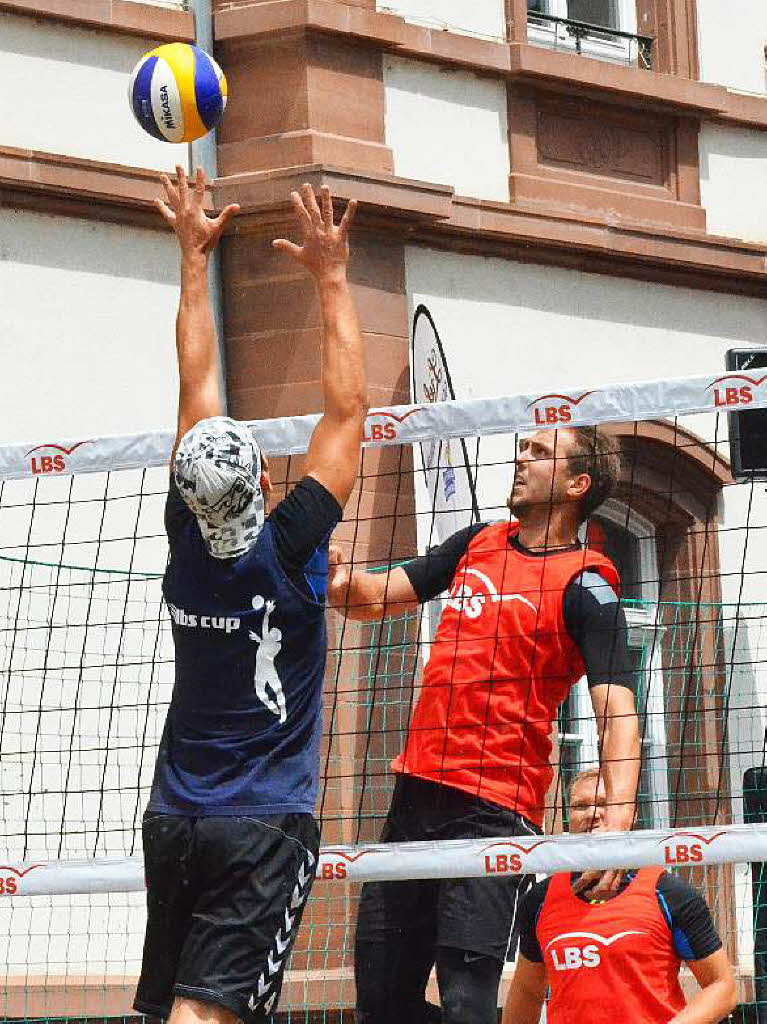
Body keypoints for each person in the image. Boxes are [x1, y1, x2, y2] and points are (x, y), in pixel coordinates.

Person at [133, 167, 367, 1024]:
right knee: (206, 1019)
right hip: (262, 824)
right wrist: (332, 275)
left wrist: (194, 263)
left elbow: (194, 390)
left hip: (175, 819)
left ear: (185, 493)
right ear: (265, 478)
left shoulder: (183, 552)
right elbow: (348, 410)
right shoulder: (292, 547)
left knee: (171, 1015)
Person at [328, 426, 642, 1024]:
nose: (520, 458)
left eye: (539, 452)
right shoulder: (476, 542)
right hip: (416, 794)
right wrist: (339, 584)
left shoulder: (587, 583)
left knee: (467, 1003)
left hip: (494, 806)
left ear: (577, 485)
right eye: (522, 448)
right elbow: (378, 597)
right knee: (380, 1000)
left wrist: (616, 829)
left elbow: (617, 711)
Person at [503, 767, 738, 1024]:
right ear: (569, 816)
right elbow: (527, 992)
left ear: (631, 814)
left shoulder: (670, 895)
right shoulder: (540, 900)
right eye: (581, 806)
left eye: (605, 804)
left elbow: (723, 987)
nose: (593, 813)